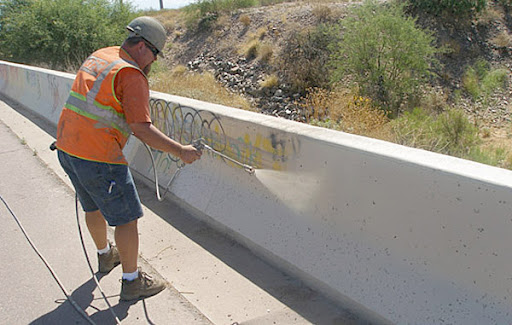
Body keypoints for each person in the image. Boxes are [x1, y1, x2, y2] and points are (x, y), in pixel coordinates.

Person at [55, 16, 202, 301]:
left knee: (92, 206)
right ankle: (132, 282)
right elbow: (141, 128)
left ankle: (105, 256)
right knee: (127, 220)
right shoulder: (131, 74)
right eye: (156, 55)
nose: (154, 62)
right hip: (99, 156)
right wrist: (180, 151)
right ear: (145, 48)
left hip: (67, 147)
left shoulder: (102, 56)